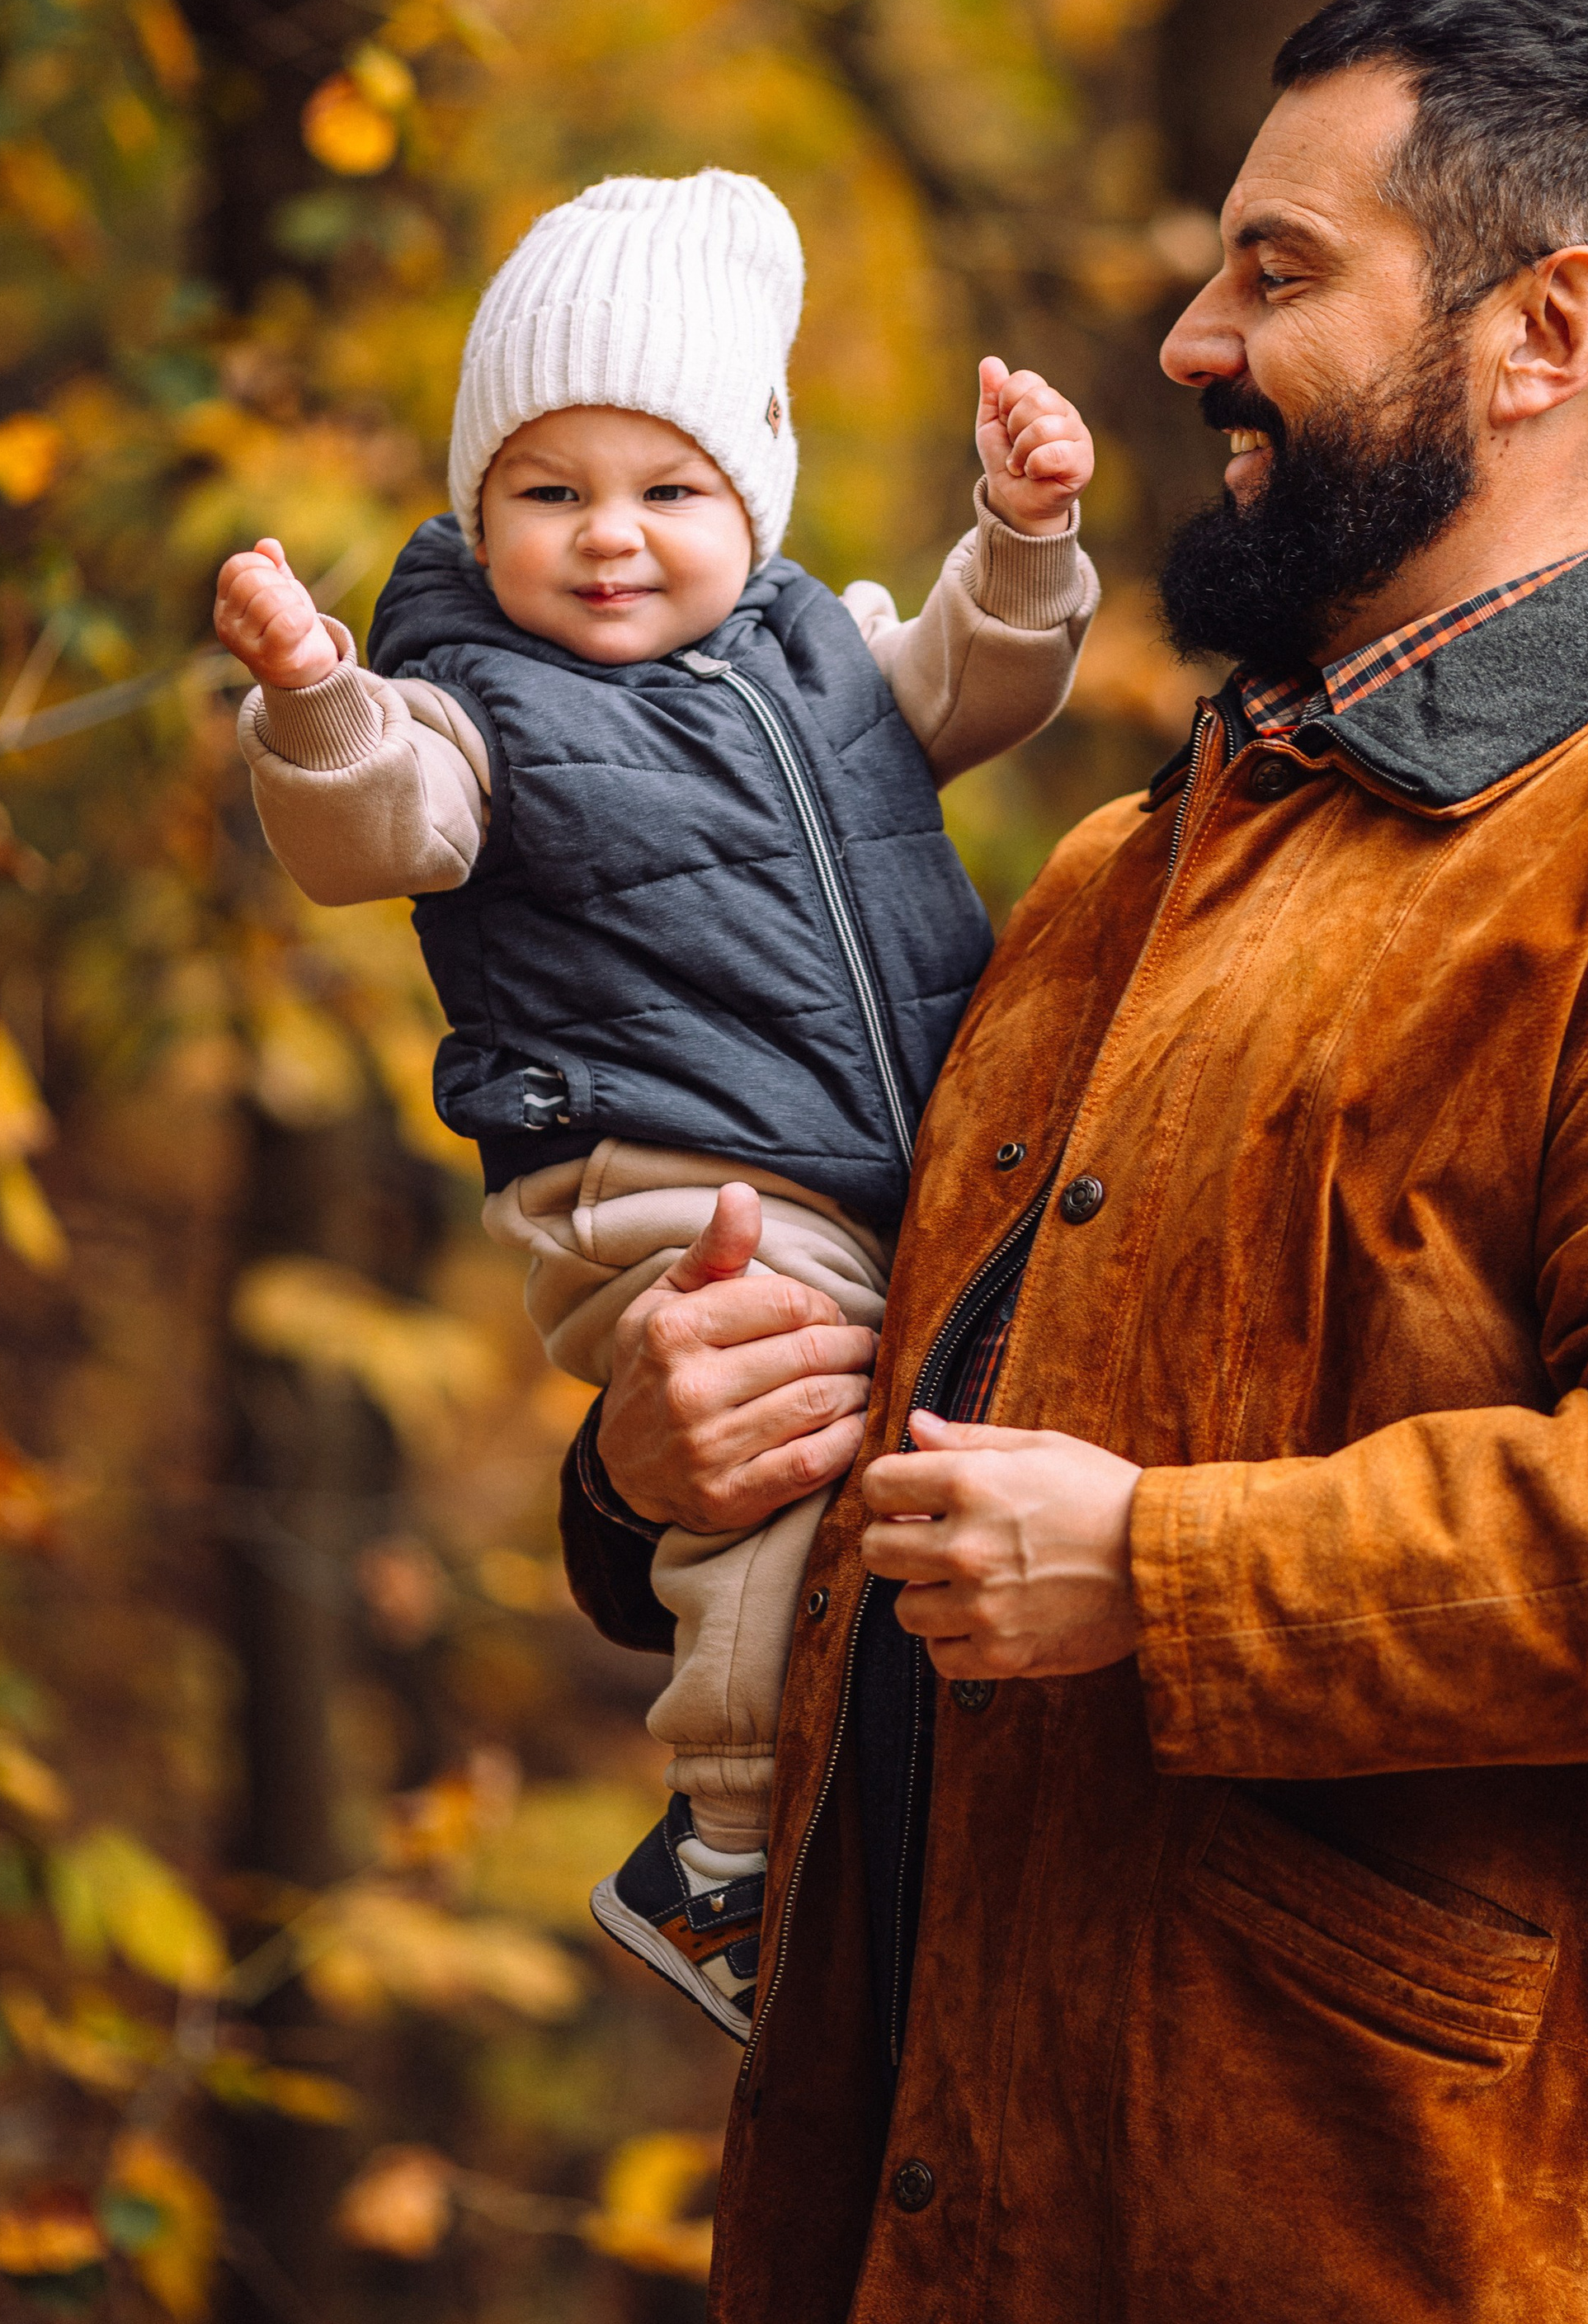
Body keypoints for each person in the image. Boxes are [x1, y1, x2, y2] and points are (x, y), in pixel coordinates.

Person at [561, 0, 1588, 2324]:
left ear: (1546, 333)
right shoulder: (1125, 871)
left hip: (1382, 2242)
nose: (1192, 343)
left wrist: (1167, 1573)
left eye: (1279, 270)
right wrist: (646, 1473)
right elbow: (909, 1459)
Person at [212, 167, 1100, 2037]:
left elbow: (976, 686)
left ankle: (875, 1817)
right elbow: (374, 826)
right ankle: (726, 1837)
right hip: (666, 1171)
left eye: (666, 491)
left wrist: (1022, 540)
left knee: (907, 1447)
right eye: (550, 492)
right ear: (480, 510)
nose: (609, 536)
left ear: (749, 501)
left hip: (868, 1156)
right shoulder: (469, 702)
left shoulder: (817, 653)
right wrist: (312, 700)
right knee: (778, 1444)